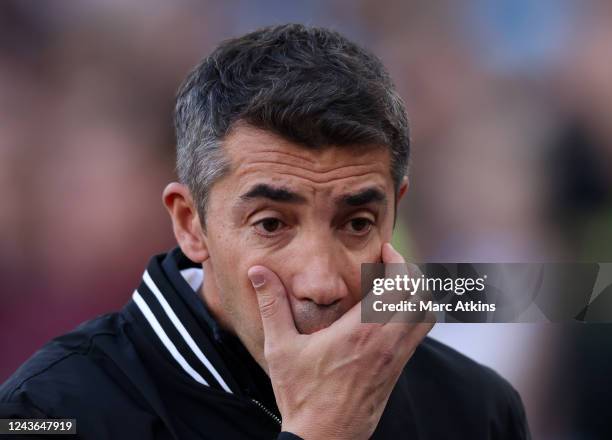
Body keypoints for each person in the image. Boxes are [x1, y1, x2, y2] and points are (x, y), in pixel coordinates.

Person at [0, 24, 530, 439]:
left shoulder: (475, 408)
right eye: (272, 224)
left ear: (397, 209)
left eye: (358, 223)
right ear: (191, 224)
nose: (321, 283)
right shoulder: (45, 413)